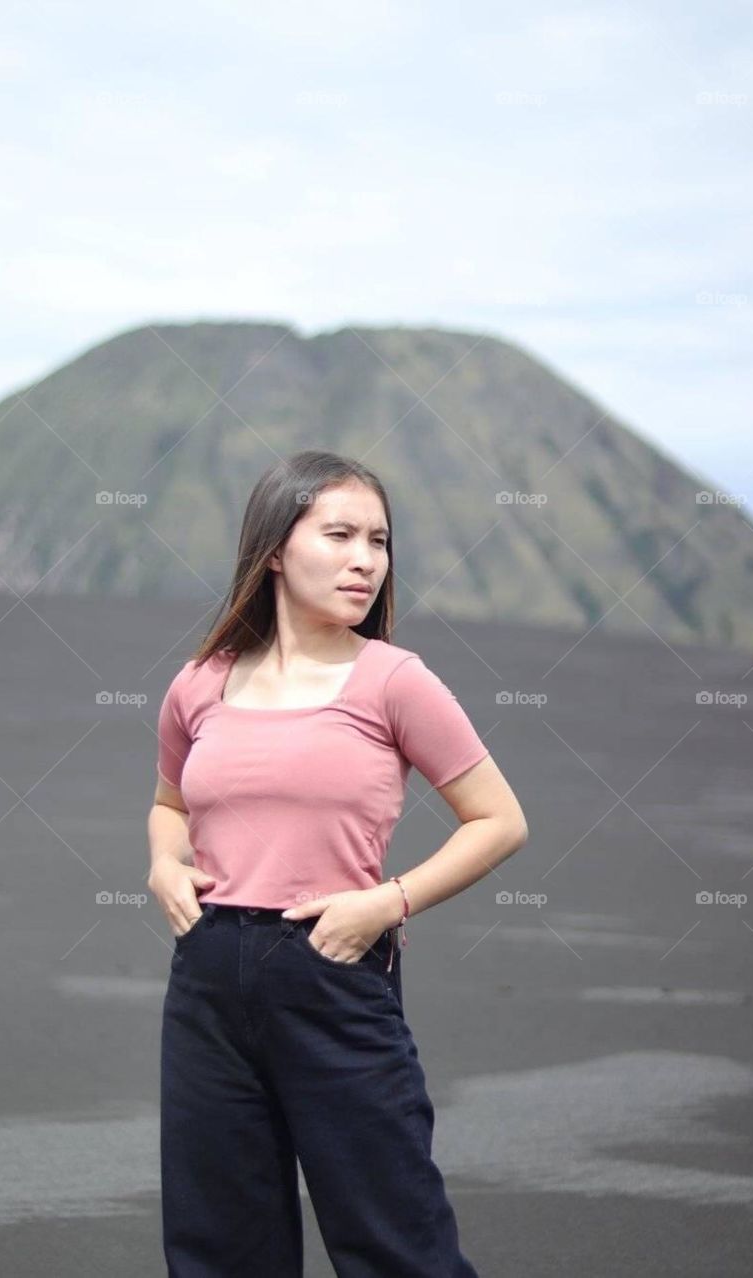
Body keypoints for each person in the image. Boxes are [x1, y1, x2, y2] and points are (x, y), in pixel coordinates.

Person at [148, 449, 528, 1277]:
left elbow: (499, 821)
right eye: (341, 535)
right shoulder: (199, 685)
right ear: (276, 550)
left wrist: (385, 903)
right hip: (207, 980)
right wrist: (164, 867)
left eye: (380, 541)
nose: (366, 559)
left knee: (394, 1241)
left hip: (332, 966)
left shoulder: (394, 681)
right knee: (218, 1247)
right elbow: (170, 804)